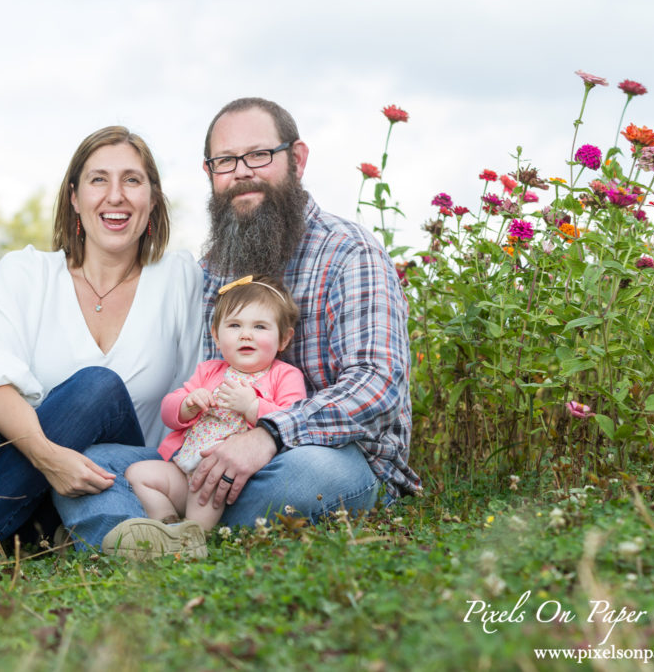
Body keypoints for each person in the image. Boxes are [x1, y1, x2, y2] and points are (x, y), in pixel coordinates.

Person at [55, 98, 421, 555]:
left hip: (332, 461)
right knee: (95, 462)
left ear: (297, 159)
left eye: (259, 155)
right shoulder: (213, 271)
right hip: (209, 460)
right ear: (210, 172)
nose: (241, 171)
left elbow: (377, 385)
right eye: (225, 161)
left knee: (307, 476)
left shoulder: (350, 253)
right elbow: (199, 382)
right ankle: (151, 537)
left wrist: (269, 435)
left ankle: (158, 528)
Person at [0, 126, 202, 555]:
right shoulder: (25, 272)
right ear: (74, 198)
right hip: (38, 478)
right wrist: (49, 458)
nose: (115, 195)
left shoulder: (178, 279)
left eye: (132, 180)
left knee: (97, 387)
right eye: (99, 179)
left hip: (107, 477)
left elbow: (198, 391)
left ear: (152, 200)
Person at [105, 276, 305, 558]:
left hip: (223, 477)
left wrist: (252, 407)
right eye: (234, 326)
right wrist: (188, 403)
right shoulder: (209, 371)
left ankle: (191, 540)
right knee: (139, 474)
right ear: (216, 334)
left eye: (259, 327)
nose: (245, 335)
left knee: (207, 489)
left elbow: (293, 420)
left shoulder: (283, 375)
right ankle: (167, 526)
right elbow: (168, 412)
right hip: (182, 469)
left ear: (283, 338)